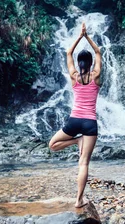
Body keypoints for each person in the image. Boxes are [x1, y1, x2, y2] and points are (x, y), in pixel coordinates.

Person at [48, 22, 101, 208]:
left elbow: (68, 53)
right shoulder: (96, 76)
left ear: (79, 63)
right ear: (91, 63)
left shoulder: (74, 76)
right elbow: (98, 52)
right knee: (84, 163)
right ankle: (79, 200)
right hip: (90, 124)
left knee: (52, 145)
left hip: (74, 120)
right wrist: (88, 37)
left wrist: (79, 37)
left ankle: (76, 140)